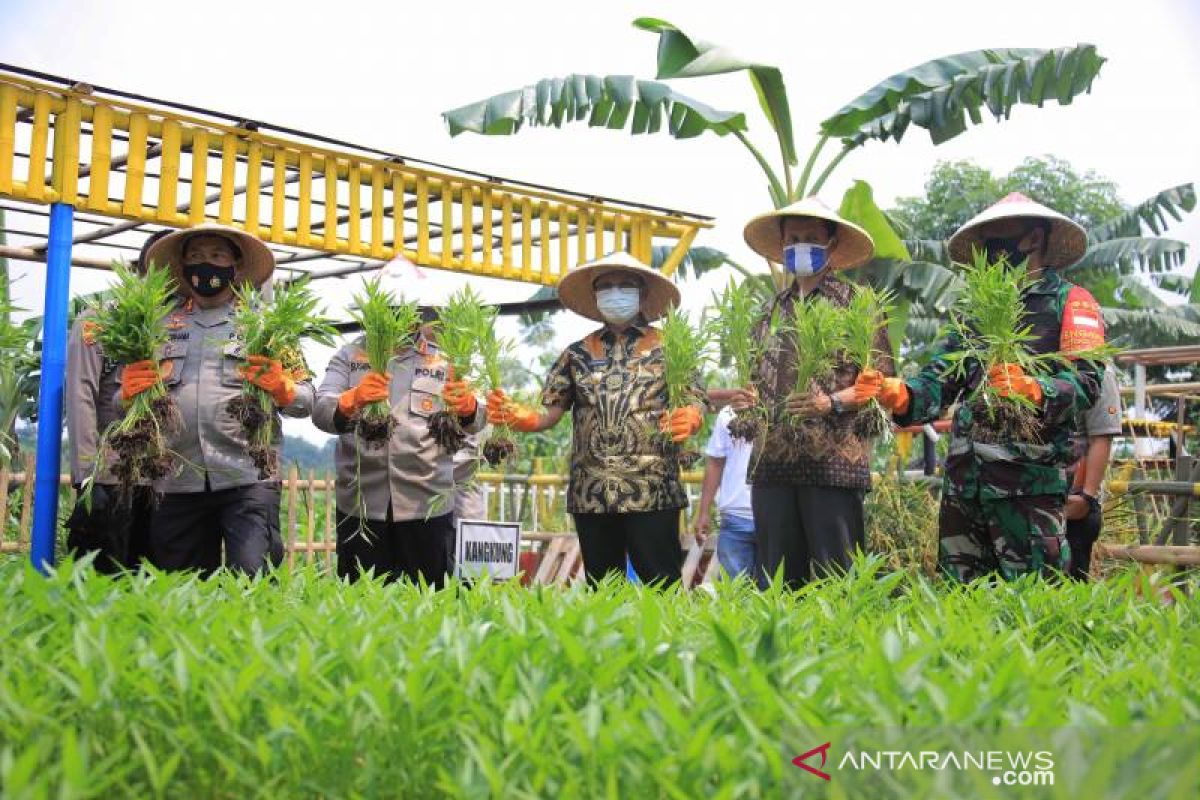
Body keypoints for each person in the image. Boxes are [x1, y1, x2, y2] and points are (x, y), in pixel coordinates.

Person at [872, 193, 1106, 581]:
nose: (987, 249)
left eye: (996, 236)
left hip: (1027, 484)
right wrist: (904, 395)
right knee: (963, 603)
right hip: (966, 483)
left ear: (1032, 237)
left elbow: (1086, 382)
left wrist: (1035, 388)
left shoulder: (1071, 302)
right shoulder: (973, 313)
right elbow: (941, 377)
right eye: (982, 241)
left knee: (1034, 603)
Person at [487, 252, 704, 587]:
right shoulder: (576, 353)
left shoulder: (671, 348)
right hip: (592, 491)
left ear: (643, 294)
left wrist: (691, 415)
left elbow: (696, 398)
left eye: (625, 285)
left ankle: (667, 641)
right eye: (606, 287)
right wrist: (523, 418)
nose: (615, 292)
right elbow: (550, 412)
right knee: (603, 588)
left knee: (661, 586)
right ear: (595, 296)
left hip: (653, 487)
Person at [120, 223, 312, 574]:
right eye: (195, 256)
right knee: (178, 590)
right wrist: (127, 393)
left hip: (248, 476)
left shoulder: (267, 325)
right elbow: (129, 401)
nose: (204, 264)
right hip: (176, 478)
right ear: (182, 267)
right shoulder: (158, 326)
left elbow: (307, 400)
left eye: (216, 255)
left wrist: (284, 388)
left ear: (236, 266)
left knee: (253, 581)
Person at [733, 197, 891, 589]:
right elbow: (755, 377)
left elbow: (880, 381)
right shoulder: (769, 311)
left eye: (811, 238)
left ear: (832, 243)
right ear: (782, 244)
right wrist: (745, 399)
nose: (800, 245)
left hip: (833, 462)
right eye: (794, 238)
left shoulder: (858, 305)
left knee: (837, 579)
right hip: (772, 461)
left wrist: (831, 402)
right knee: (777, 581)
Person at [312, 310, 485, 587]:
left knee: (429, 603)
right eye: (394, 308)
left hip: (428, 505)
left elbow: (478, 421)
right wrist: (350, 400)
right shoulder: (350, 356)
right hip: (361, 506)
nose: (404, 317)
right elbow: (320, 411)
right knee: (360, 602)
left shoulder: (444, 360)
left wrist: (470, 408)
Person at [64, 229, 169, 572]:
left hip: (165, 480)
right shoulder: (101, 317)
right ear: (143, 266)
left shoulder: (184, 324)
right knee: (104, 576)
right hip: (111, 474)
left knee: (155, 580)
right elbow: (80, 395)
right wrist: (88, 476)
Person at [1066, 366, 1122, 580]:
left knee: (1067, 587)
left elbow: (1101, 437)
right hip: (1033, 497)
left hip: (1074, 501)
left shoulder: (1097, 369)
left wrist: (1085, 497)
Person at [694, 405, 755, 578]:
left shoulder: (786, 407)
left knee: (774, 590)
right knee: (733, 595)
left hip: (776, 517)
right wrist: (703, 512)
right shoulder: (729, 412)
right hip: (735, 516)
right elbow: (715, 462)